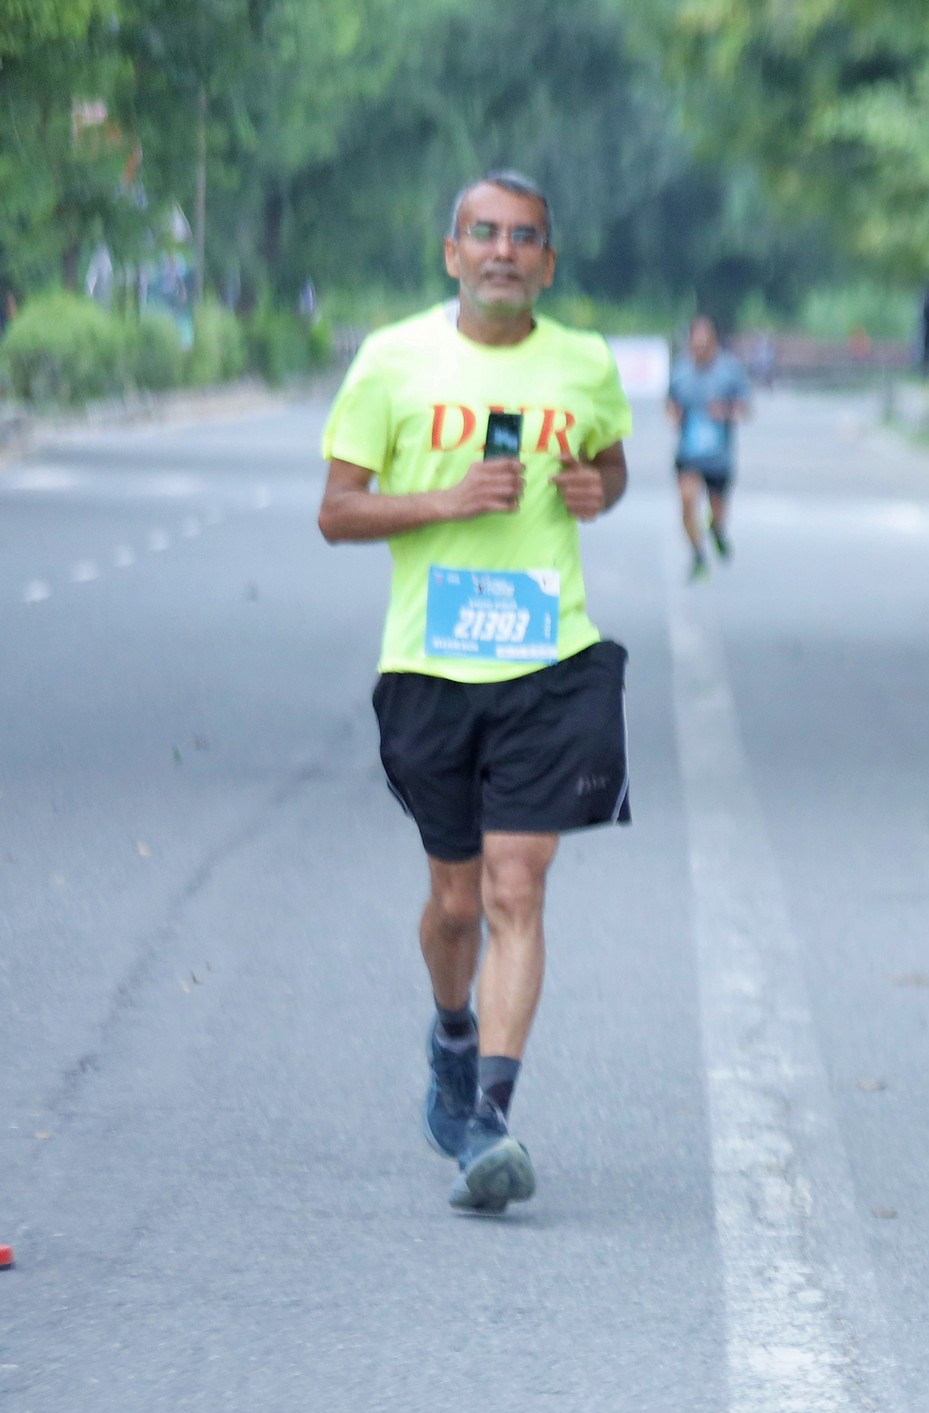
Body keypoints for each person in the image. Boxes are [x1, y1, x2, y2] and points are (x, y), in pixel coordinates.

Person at [316, 169, 632, 1217]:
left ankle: (491, 1120)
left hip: (551, 659)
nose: (504, 250)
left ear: (549, 262)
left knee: (516, 886)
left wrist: (595, 488)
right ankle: (452, 1034)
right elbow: (336, 512)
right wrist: (447, 500)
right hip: (429, 667)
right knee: (456, 906)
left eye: (524, 236)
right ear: (453, 253)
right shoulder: (391, 359)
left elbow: (611, 469)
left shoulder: (584, 362)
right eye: (484, 233)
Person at [666, 312, 749, 581]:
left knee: (717, 513)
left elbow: (745, 409)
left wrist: (724, 412)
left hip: (719, 457)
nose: (699, 350)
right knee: (687, 502)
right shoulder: (680, 372)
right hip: (689, 454)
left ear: (714, 342)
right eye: (695, 345)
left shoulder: (730, 371)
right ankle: (698, 555)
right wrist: (674, 415)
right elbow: (670, 403)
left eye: (705, 345)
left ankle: (717, 531)